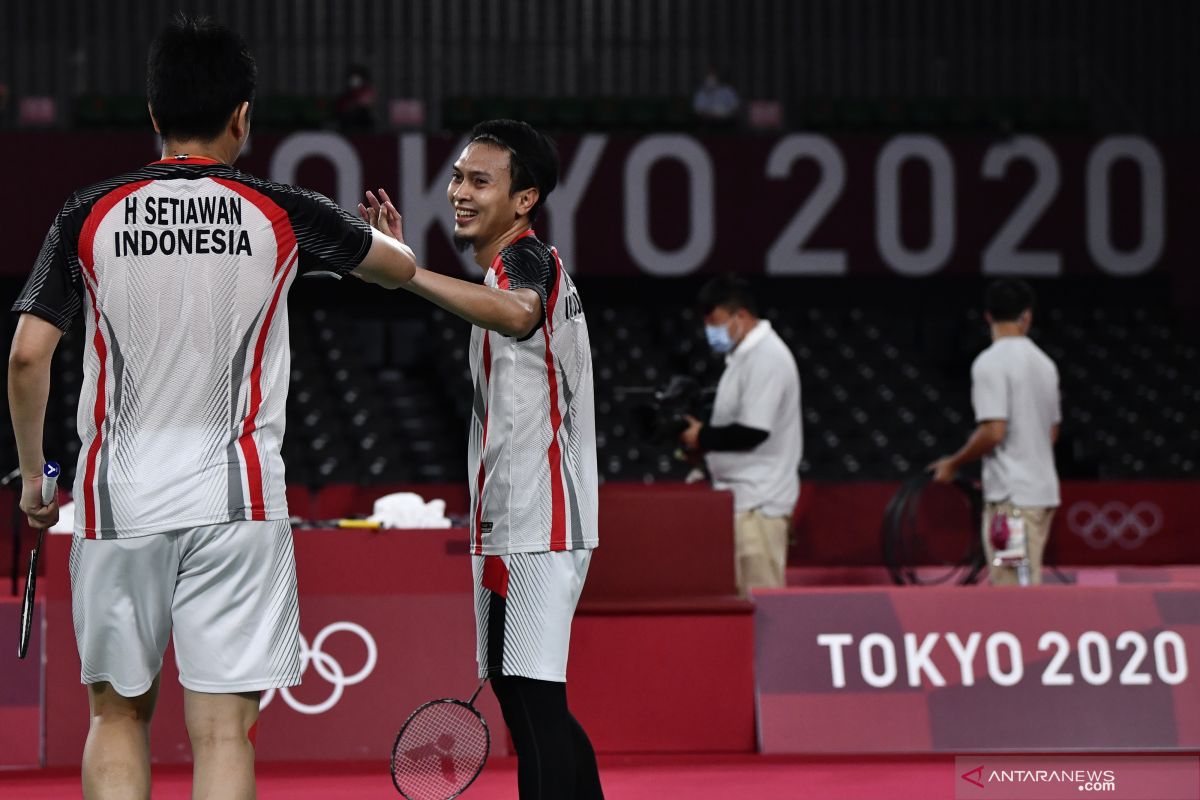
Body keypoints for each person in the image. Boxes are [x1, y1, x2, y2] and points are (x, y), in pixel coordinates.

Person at [8, 15, 415, 800]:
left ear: (155, 116)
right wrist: (388, 245)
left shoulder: (86, 212)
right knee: (224, 730)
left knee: (116, 716)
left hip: (115, 501)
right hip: (234, 502)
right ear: (243, 118)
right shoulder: (282, 208)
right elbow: (396, 268)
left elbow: (28, 356)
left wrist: (35, 479)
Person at [360, 119, 603, 799]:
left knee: (531, 706)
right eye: (458, 177)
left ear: (524, 200)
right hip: (531, 519)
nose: (458, 192)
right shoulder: (508, 267)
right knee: (531, 698)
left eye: (479, 180)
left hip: (535, 522)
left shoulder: (527, 262)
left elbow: (518, 314)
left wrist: (404, 273)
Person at [930, 278, 1061, 585]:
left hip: (1011, 504)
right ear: (1026, 316)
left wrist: (953, 463)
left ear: (988, 316)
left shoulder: (990, 363)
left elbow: (993, 432)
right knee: (1027, 582)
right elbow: (1051, 433)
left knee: (1012, 590)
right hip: (1042, 496)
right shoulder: (1045, 364)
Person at [678, 276, 802, 596]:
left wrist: (701, 437)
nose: (711, 332)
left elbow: (752, 432)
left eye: (715, 322)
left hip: (759, 505)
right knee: (739, 606)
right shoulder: (744, 356)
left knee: (762, 608)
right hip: (741, 502)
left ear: (741, 316)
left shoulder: (767, 357)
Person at [334, 63, 377, 132]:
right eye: (352, 77)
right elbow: (340, 110)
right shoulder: (345, 96)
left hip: (363, 127)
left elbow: (366, 105)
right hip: (347, 128)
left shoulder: (367, 92)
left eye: (357, 77)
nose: (354, 80)